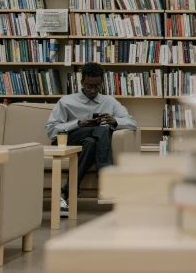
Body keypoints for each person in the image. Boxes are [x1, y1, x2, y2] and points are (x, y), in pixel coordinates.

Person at [45, 62, 137, 216]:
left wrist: (115, 121)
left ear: (102, 83)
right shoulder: (66, 101)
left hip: (89, 143)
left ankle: (66, 194)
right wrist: (78, 123)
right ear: (82, 83)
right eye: (89, 86)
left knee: (92, 141)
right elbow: (51, 130)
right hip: (67, 140)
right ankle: (106, 179)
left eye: (97, 86)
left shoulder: (110, 102)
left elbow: (132, 123)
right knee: (100, 129)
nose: (93, 90)